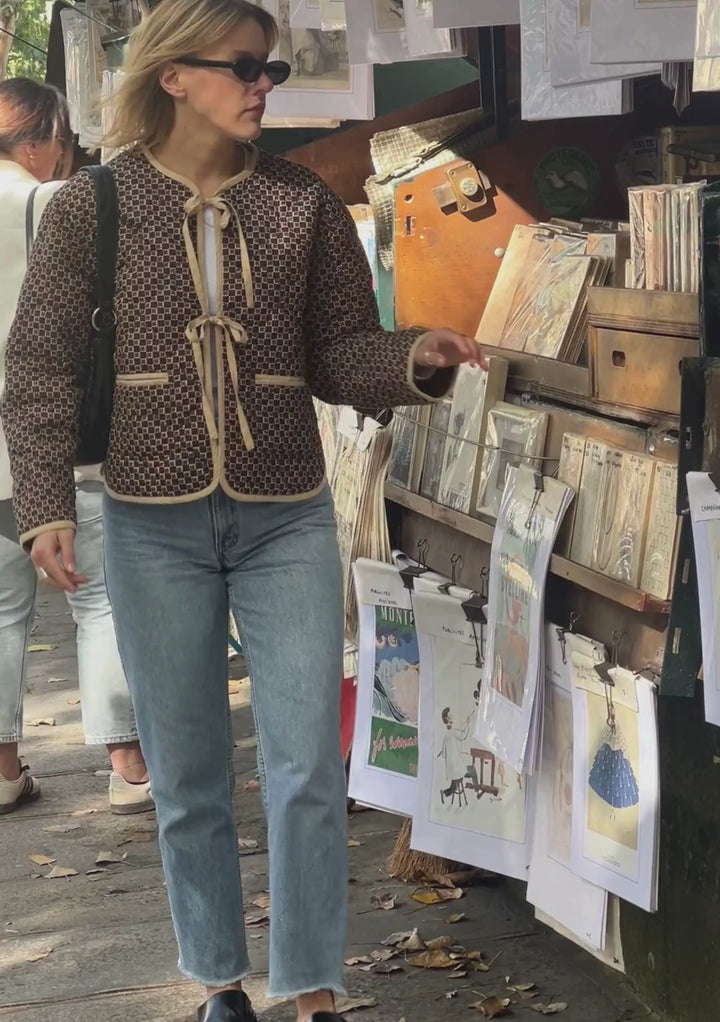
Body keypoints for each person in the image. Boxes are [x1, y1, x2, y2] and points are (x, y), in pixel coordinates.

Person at [1, 3, 484, 1019]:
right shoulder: (94, 206)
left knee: (308, 760)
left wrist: (411, 359)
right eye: (246, 66)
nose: (266, 84)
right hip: (146, 517)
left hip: (284, 514)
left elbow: (341, 349)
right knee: (187, 769)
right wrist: (42, 502)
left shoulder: (301, 204)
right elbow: (39, 363)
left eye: (271, 67)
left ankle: (310, 984)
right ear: (175, 75)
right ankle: (220, 977)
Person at [0, 78, 152, 816]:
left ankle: (2, 770)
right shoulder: (55, 204)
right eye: (62, 143)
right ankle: (127, 765)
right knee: (96, 597)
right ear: (37, 140)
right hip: (53, 432)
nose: (65, 158)